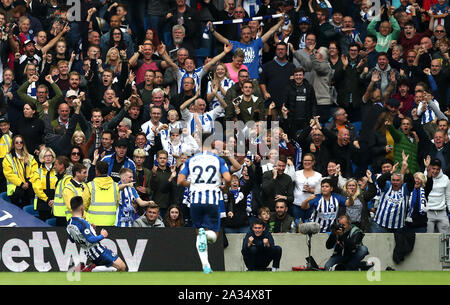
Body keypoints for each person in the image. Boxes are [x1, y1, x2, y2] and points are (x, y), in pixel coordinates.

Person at [177, 132, 232, 274]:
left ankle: (205, 265)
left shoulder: (191, 160)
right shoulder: (218, 160)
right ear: (212, 143)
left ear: (200, 143)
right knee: (213, 237)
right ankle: (205, 236)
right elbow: (228, 178)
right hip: (212, 201)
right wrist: (224, 188)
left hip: (195, 201)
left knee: (199, 233)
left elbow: (180, 181)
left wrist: (193, 184)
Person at [66, 196, 127, 272]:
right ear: (81, 207)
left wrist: (90, 229)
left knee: (117, 268)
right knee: (122, 267)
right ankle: (92, 268)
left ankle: (93, 268)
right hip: (98, 251)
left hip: (89, 253)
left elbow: (72, 239)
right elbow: (91, 240)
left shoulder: (69, 223)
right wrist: (102, 235)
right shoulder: (82, 223)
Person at [82, 161, 120, 227]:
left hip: (93, 224)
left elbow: (84, 205)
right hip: (110, 222)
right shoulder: (115, 186)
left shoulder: (90, 185)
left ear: (97, 171)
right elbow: (116, 204)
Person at [424, 158, 450, 233]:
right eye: (433, 168)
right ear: (430, 167)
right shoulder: (424, 176)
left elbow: (448, 197)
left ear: (440, 169)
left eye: (437, 169)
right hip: (428, 212)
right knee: (428, 238)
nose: (435, 171)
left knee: (446, 238)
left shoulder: (445, 179)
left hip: (442, 212)